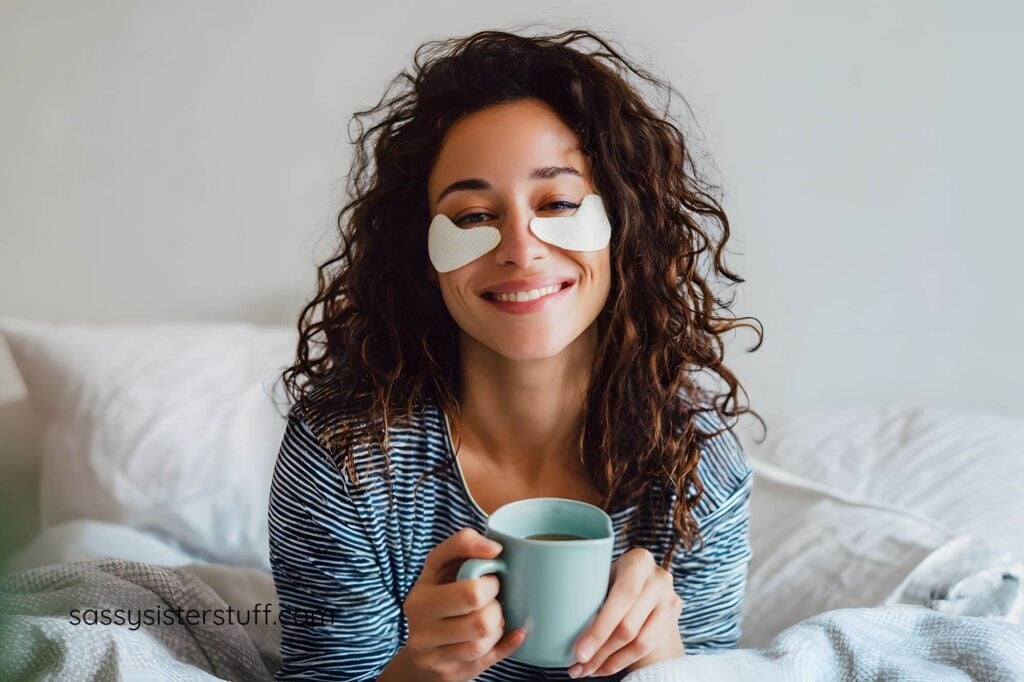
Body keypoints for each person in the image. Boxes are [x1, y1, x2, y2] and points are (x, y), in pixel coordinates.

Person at [269, 27, 764, 682]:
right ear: (421, 250)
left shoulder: (699, 463)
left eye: (557, 203)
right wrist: (418, 668)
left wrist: (667, 659)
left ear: (622, 227)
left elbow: (707, 668)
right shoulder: (345, 461)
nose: (521, 249)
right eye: (474, 215)